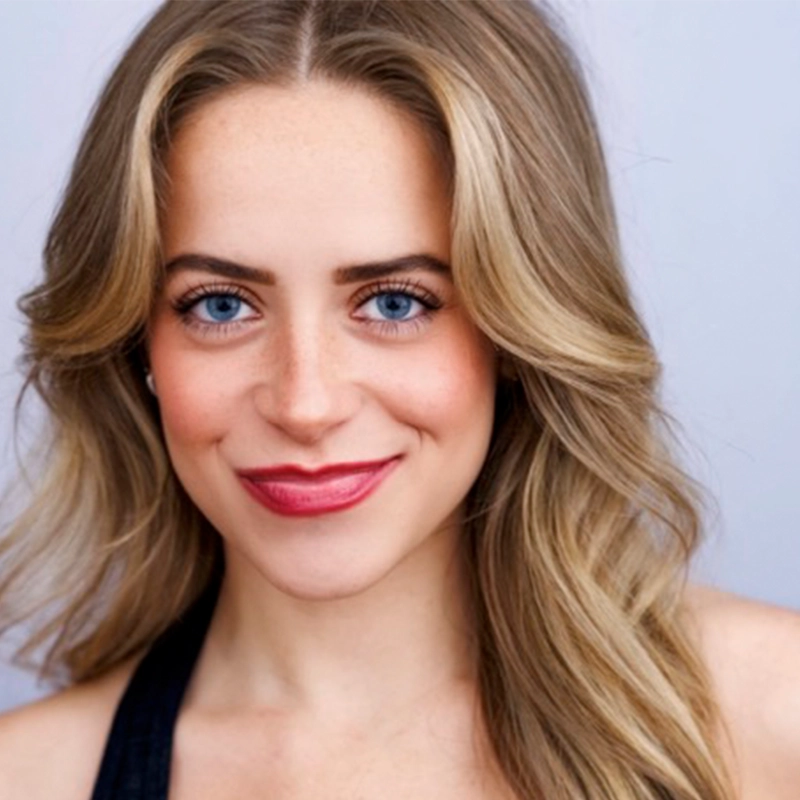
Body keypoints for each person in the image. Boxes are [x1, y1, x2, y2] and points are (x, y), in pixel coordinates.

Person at [0, 1, 798, 798]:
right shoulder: (28, 778)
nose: (305, 404)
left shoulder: (773, 715)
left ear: (518, 329)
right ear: (135, 341)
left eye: (394, 302)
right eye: (220, 305)